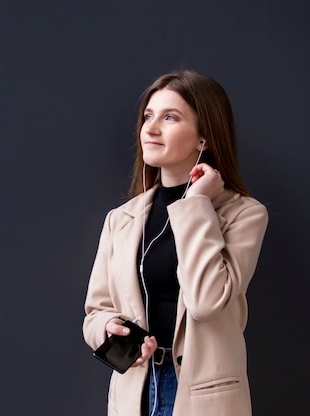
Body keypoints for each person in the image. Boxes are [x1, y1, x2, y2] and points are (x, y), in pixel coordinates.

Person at [82, 70, 268, 416]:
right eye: (148, 116)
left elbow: (207, 302)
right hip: (134, 391)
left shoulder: (244, 215)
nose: (150, 128)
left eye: (170, 117)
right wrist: (107, 327)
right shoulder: (120, 219)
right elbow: (95, 311)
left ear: (204, 138)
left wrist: (196, 204)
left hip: (201, 395)